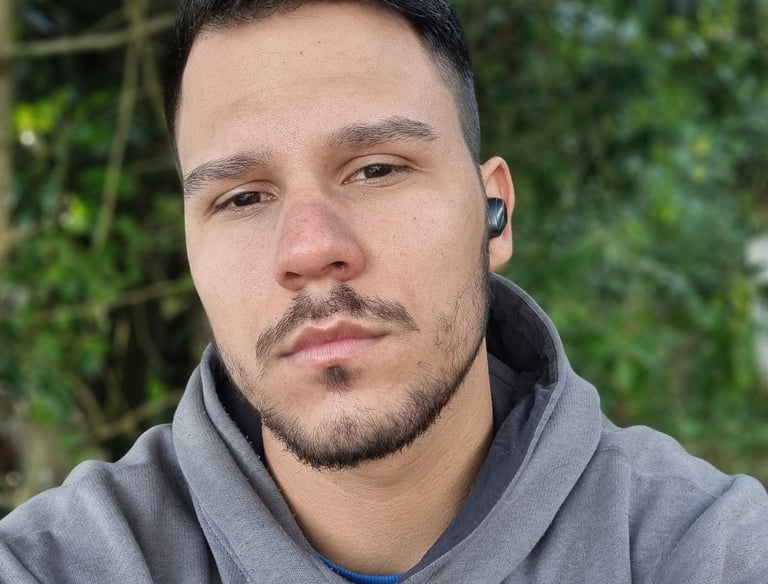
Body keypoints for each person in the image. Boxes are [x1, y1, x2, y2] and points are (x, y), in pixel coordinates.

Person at [2, 0, 767, 582]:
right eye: (242, 197)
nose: (310, 249)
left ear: (494, 214)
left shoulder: (706, 549)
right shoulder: (55, 563)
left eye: (375, 169)